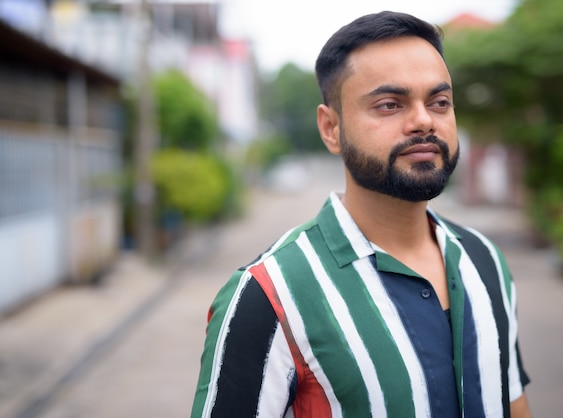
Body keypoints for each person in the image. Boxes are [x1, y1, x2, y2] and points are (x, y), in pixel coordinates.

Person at [191, 11, 532, 418]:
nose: (424, 120)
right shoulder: (268, 296)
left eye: (439, 102)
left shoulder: (485, 261)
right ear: (331, 128)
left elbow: (513, 406)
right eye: (390, 104)